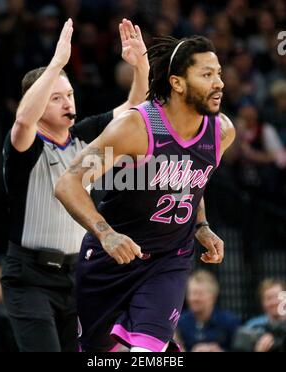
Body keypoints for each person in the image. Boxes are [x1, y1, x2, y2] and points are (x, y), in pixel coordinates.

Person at [55, 35, 236, 352]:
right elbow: (68, 183)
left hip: (168, 260)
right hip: (110, 261)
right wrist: (106, 234)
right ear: (177, 83)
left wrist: (201, 225)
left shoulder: (222, 131)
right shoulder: (135, 128)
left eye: (218, 72)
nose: (219, 82)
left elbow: (194, 180)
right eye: (207, 74)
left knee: (147, 353)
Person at [0, 18, 149, 352]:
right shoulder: (25, 145)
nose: (68, 103)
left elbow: (135, 112)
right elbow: (24, 118)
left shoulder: (85, 136)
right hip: (30, 276)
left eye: (69, 95)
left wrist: (141, 65)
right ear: (37, 101)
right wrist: (57, 63)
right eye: (56, 98)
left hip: (79, 274)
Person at [177, 270, 240, 352]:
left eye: (200, 294)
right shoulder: (180, 323)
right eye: (191, 293)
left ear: (213, 297)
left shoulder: (230, 322)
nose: (194, 298)